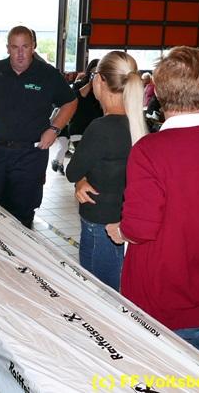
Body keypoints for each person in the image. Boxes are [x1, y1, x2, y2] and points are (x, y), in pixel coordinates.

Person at [106, 46, 199, 359]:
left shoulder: (150, 150)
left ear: (157, 92)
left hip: (162, 298)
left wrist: (120, 231)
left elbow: (140, 228)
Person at [0, 26, 77, 227]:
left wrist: (54, 129)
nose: (20, 53)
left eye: (25, 47)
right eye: (15, 47)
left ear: (33, 47)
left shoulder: (47, 74)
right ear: (8, 48)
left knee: (22, 213)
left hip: (30, 154)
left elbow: (70, 102)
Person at [65, 52, 147, 290]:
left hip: (99, 222)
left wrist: (80, 179)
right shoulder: (138, 125)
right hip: (123, 221)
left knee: (99, 291)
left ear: (100, 80)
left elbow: (72, 171)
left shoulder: (101, 128)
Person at [52, 59, 102, 175]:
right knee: (83, 158)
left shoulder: (102, 88)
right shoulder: (79, 84)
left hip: (96, 128)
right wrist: (91, 83)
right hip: (79, 127)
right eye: (95, 72)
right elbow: (76, 97)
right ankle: (68, 169)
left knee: (93, 161)